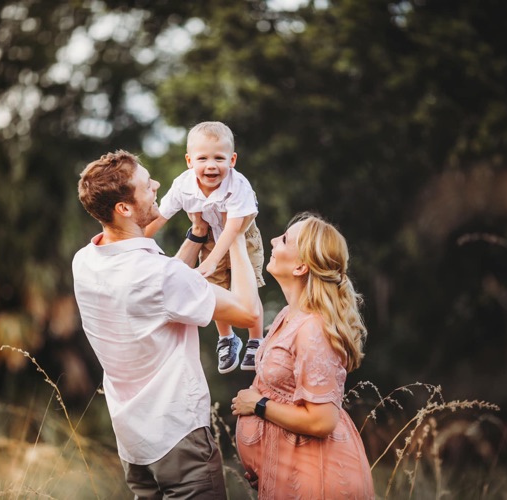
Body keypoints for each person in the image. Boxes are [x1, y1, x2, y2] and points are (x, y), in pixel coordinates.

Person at [72, 150, 260, 499]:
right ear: (124, 208)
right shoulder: (158, 277)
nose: (157, 185)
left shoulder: (85, 261)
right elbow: (248, 312)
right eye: (146, 185)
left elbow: (158, 293)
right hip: (179, 437)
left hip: (134, 444)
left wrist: (198, 233)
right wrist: (233, 230)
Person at [231, 213, 375, 499]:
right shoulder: (288, 315)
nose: (273, 240)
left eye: (284, 239)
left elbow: (322, 421)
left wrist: (258, 405)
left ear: (300, 266)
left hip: (317, 479)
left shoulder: (313, 328)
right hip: (289, 472)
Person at [145, 121, 266, 374]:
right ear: (189, 161)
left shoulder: (238, 185)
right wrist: (139, 238)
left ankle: (256, 339)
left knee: (247, 284)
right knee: (215, 287)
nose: (211, 165)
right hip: (211, 237)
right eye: (203, 158)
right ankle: (227, 338)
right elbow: (161, 216)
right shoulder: (183, 185)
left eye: (219, 158)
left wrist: (210, 262)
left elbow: (234, 228)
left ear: (232, 160)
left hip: (244, 236)